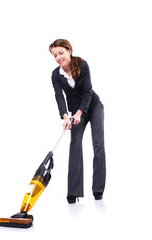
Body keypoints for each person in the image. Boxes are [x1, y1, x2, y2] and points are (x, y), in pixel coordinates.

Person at [49, 39, 105, 203]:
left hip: (93, 106)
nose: (58, 57)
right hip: (75, 112)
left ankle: (98, 190)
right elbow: (59, 97)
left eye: (61, 53)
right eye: (55, 55)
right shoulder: (55, 75)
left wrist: (80, 113)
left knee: (98, 143)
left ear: (69, 51)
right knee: (75, 143)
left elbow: (88, 92)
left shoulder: (82, 65)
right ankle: (74, 192)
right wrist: (65, 116)